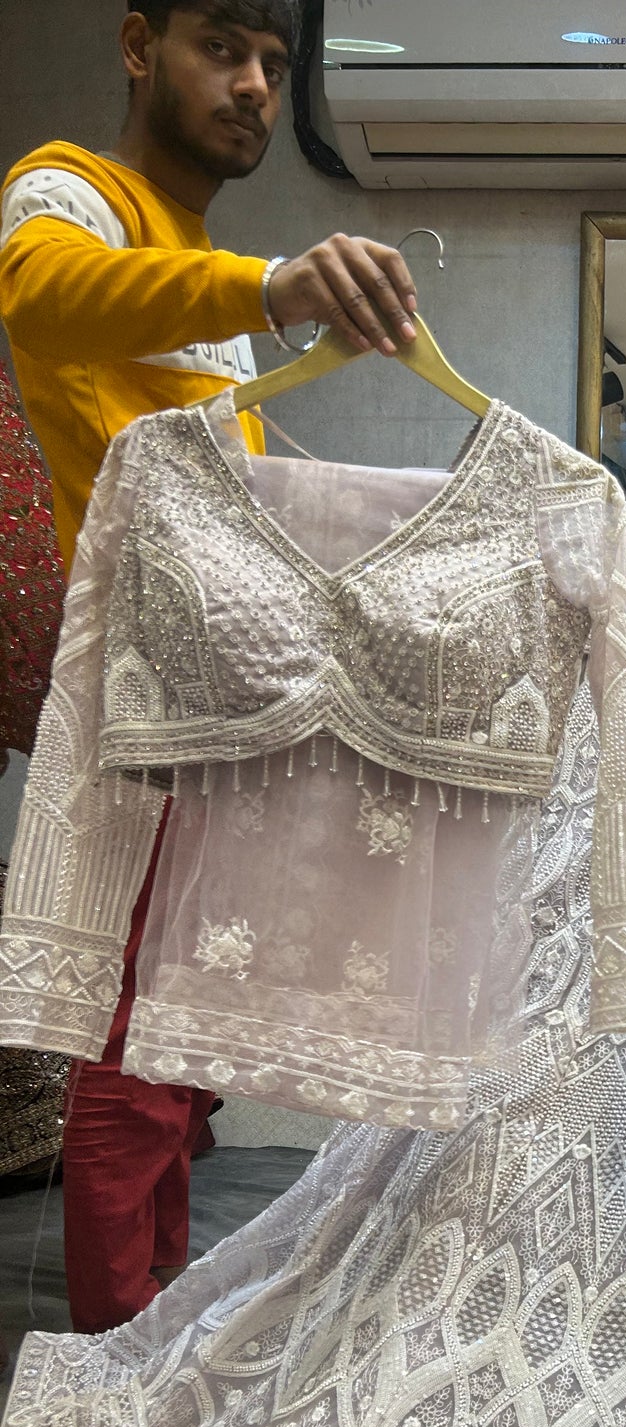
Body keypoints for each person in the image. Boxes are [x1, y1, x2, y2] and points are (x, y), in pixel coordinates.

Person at [0, 0, 419, 1334]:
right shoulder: (73, 193)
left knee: (186, 1043)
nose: (252, 84)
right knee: (135, 1045)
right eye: (222, 49)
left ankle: (163, 1329)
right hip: (131, 689)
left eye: (274, 65)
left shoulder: (207, 289)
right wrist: (270, 283)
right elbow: (39, 296)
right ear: (138, 46)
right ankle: (118, 1374)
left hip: (213, 692)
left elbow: (230, 502)